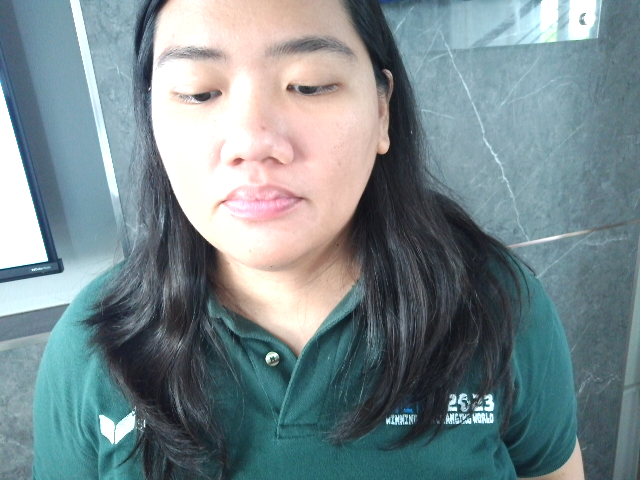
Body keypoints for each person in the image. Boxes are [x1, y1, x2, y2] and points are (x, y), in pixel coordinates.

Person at [33, 0, 584, 478]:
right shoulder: (94, 347)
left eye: (310, 85)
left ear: (382, 110)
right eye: (199, 93)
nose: (252, 142)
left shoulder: (498, 304)